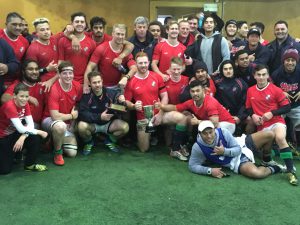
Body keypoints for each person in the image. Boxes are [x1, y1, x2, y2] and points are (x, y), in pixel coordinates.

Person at [125, 52, 189, 161]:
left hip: (159, 115)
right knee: (144, 149)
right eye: (140, 63)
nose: (143, 65)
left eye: (145, 62)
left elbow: (165, 96)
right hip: (143, 118)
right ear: (136, 64)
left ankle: (176, 148)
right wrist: (133, 105)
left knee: (182, 118)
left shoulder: (156, 76)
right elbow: (126, 102)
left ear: (149, 63)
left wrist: (160, 113)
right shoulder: (131, 82)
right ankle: (143, 138)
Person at [246, 64, 298, 185]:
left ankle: (290, 170)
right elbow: (248, 107)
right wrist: (253, 115)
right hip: (262, 126)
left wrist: (272, 113)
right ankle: (268, 160)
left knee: (280, 137)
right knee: (266, 153)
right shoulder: (250, 90)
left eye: (264, 74)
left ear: (268, 75)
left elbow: (287, 107)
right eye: (258, 75)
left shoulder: (275, 89)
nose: (261, 77)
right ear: (254, 76)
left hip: (276, 121)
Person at [189, 120, 283, 179]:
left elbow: (237, 148)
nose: (209, 136)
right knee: (256, 174)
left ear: (214, 129)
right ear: (200, 134)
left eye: (210, 132)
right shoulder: (198, 147)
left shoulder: (223, 132)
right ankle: (276, 168)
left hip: (242, 144)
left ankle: (266, 160)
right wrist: (209, 171)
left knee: (270, 134)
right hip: (235, 161)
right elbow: (192, 166)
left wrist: (224, 151)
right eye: (205, 133)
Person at [0, 83, 48, 175]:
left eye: (26, 96)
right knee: (4, 170)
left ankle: (29, 165)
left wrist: (23, 136)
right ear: (14, 96)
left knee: (35, 138)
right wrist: (39, 131)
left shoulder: (25, 104)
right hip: (2, 137)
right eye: (21, 96)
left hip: (14, 133)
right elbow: (21, 128)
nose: (24, 99)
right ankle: (13, 155)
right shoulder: (10, 106)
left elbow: (30, 125)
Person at [41, 61, 82, 166]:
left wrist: (72, 124)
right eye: (64, 73)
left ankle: (53, 140)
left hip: (68, 123)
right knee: (60, 126)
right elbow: (55, 116)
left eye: (70, 72)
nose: (68, 76)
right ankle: (57, 153)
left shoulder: (77, 86)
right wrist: (72, 116)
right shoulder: (54, 89)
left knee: (72, 153)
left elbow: (77, 106)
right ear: (59, 74)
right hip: (49, 120)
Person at [78, 71, 129, 155]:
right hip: (93, 124)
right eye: (94, 82)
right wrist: (99, 117)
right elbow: (82, 114)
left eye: (99, 82)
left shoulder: (112, 93)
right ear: (90, 84)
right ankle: (89, 142)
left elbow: (123, 109)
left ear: (102, 81)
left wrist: (121, 102)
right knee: (81, 126)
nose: (97, 84)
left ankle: (109, 140)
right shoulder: (86, 95)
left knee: (125, 127)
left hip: (108, 124)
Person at [159, 80, 236, 134]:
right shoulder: (191, 102)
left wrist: (198, 122)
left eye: (197, 91)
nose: (195, 94)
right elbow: (174, 107)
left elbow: (215, 123)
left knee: (210, 132)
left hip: (227, 124)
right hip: (216, 124)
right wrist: (161, 106)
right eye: (193, 91)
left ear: (203, 90)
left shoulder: (210, 102)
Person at [84, 24, 137, 94]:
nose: (120, 37)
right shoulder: (102, 48)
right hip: (101, 87)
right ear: (112, 34)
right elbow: (90, 67)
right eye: (118, 34)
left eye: (122, 34)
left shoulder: (125, 51)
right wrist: (86, 84)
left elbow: (134, 68)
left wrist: (126, 78)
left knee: (118, 105)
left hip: (118, 88)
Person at [272, 49, 300, 153]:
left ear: (296, 61)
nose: (290, 62)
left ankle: (297, 145)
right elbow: (270, 88)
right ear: (283, 61)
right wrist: (280, 92)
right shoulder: (276, 73)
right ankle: (275, 145)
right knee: (275, 123)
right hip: (281, 106)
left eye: (293, 60)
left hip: (296, 105)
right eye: (287, 60)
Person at [2, 60, 45, 127]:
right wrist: (27, 98)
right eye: (30, 69)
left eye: (36, 69)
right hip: (22, 124)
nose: (34, 72)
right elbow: (4, 99)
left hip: (41, 123)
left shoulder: (42, 85)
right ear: (23, 71)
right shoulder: (18, 85)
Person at [58, 12, 96, 84]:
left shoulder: (92, 43)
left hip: (84, 83)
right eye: (77, 21)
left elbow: (93, 66)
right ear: (71, 24)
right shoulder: (62, 41)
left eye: (82, 22)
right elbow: (60, 63)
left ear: (85, 24)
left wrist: (88, 83)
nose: (79, 24)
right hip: (67, 81)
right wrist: (60, 80)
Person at [26, 17, 61, 91]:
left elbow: (66, 33)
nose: (46, 32)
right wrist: (46, 69)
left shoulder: (54, 40)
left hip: (58, 78)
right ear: (36, 33)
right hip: (43, 83)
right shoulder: (33, 49)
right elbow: (30, 73)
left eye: (47, 29)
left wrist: (74, 37)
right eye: (42, 30)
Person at [213, 60, 249, 131]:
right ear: (221, 70)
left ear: (233, 69)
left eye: (230, 68)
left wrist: (239, 117)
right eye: (225, 69)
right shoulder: (216, 82)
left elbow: (245, 103)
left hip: (237, 115)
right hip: (222, 115)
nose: (228, 71)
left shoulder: (241, 83)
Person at [0, 12, 29, 86]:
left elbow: (23, 64)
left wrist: (8, 67)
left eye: (20, 25)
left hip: (14, 82)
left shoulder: (24, 41)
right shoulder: (0, 35)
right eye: (14, 24)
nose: (18, 27)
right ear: (6, 24)